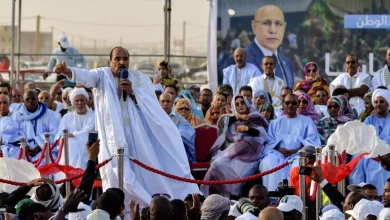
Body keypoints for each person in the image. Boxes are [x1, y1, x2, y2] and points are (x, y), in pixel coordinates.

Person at [53, 46, 199, 206]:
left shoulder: (140, 79)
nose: (122, 62)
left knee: (144, 174)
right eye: (117, 59)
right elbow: (86, 76)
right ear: (111, 61)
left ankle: (147, 206)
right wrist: (67, 71)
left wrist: (132, 93)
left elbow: (151, 108)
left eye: (125, 59)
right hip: (113, 141)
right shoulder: (102, 76)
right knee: (116, 181)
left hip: (138, 139)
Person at [200, 95, 269, 197]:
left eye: (242, 102)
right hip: (234, 150)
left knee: (236, 169)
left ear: (247, 103)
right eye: (236, 104)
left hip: (250, 153)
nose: (240, 105)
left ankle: (232, 195)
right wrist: (238, 117)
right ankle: (210, 195)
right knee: (216, 164)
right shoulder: (231, 119)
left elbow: (261, 133)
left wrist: (247, 129)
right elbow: (223, 121)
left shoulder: (255, 117)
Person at [259, 94, 320, 191]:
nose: (290, 105)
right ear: (283, 104)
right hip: (278, 154)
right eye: (287, 103)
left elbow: (312, 142)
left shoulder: (307, 121)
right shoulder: (275, 122)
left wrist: (295, 151)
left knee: (298, 166)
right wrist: (278, 149)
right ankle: (272, 196)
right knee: (267, 162)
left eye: (293, 103)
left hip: (298, 154)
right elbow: (269, 142)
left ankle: (294, 197)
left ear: (297, 105)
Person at [225, 6, 294, 88]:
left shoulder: (287, 63)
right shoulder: (236, 60)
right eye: (266, 23)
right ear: (254, 27)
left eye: (278, 24)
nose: (273, 30)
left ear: (284, 28)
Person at [351, 89, 390, 195]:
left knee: (381, 168)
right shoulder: (369, 119)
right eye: (376, 102)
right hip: (371, 153)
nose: (378, 104)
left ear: (387, 103)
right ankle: (363, 194)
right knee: (358, 161)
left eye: (382, 102)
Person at [10, 90, 60, 162]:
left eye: (33, 99)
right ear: (23, 101)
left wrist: (40, 146)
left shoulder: (50, 114)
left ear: (37, 100)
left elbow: (55, 133)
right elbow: (10, 134)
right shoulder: (17, 116)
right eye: (27, 99)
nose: (30, 101)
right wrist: (24, 146)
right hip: (22, 150)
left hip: (44, 150)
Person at [56, 87, 95, 169]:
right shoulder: (67, 117)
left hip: (88, 146)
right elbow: (60, 133)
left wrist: (74, 135)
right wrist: (62, 138)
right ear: (73, 102)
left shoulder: (93, 116)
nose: (80, 103)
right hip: (70, 148)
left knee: (74, 143)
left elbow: (88, 131)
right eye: (77, 101)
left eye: (82, 100)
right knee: (70, 143)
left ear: (86, 101)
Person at [159, 93, 196, 162]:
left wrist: (170, 135)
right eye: (163, 101)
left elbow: (188, 132)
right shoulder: (154, 117)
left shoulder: (179, 118)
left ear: (172, 103)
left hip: (175, 151)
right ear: (159, 102)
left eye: (168, 101)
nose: (165, 104)